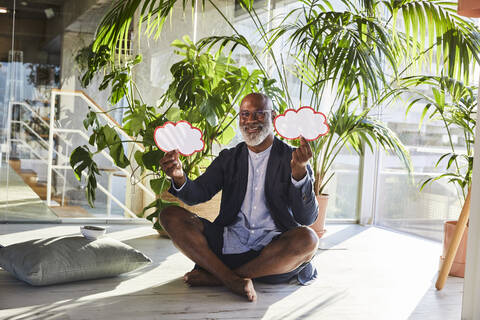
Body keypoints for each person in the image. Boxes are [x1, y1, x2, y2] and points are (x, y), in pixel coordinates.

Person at [159, 92, 319, 302]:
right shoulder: (229, 158)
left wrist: (299, 171)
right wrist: (179, 176)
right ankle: (232, 278)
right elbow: (197, 194)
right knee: (169, 215)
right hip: (229, 241)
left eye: (259, 114)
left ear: (273, 116)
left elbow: (307, 218)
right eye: (245, 114)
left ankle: (219, 277)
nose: (250, 121)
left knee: (308, 239)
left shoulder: (293, 157)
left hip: (272, 251)